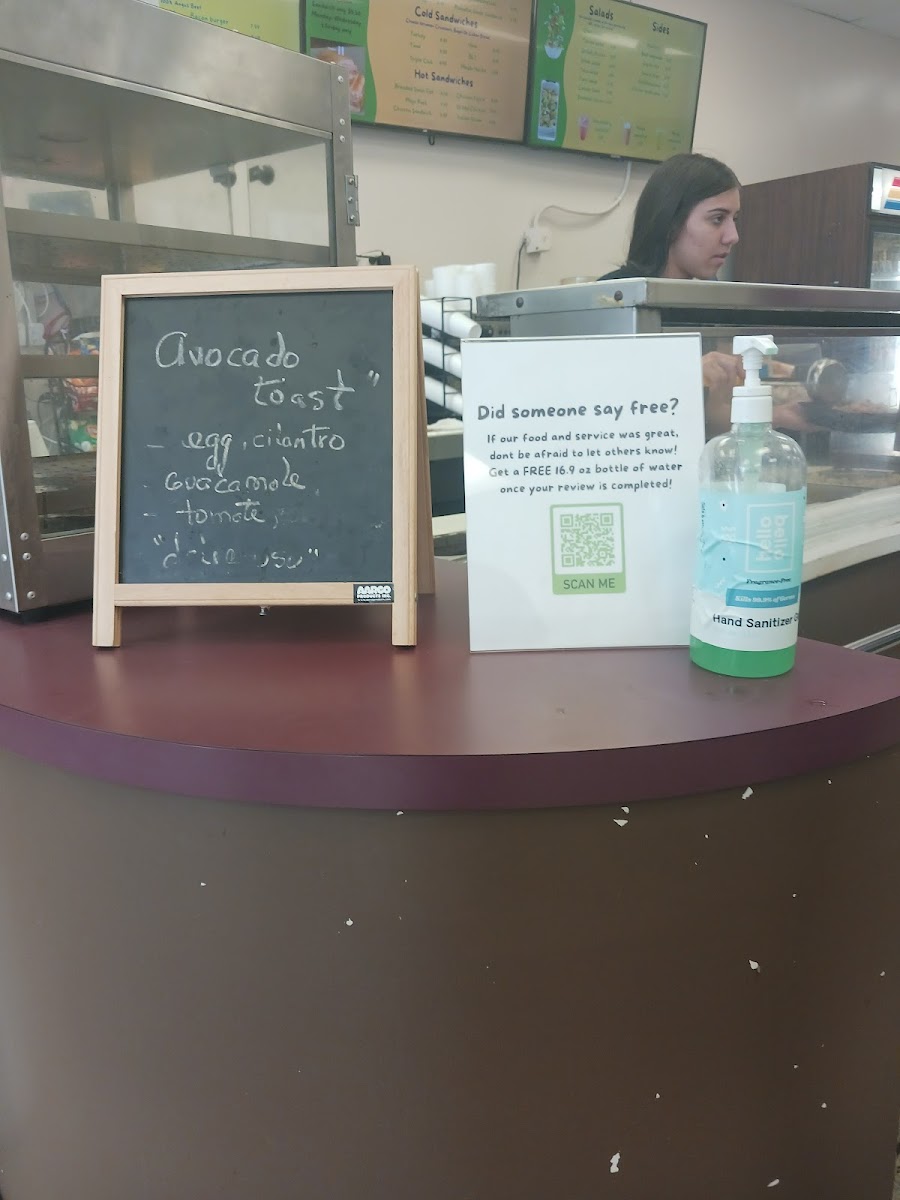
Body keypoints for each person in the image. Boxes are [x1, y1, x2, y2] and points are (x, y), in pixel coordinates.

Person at [599, 152, 822, 435]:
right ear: (671, 222)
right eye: (717, 219)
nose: (732, 236)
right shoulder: (613, 300)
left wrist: (778, 415)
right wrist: (685, 375)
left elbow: (711, 416)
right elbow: (605, 410)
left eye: (734, 219)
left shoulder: (704, 305)